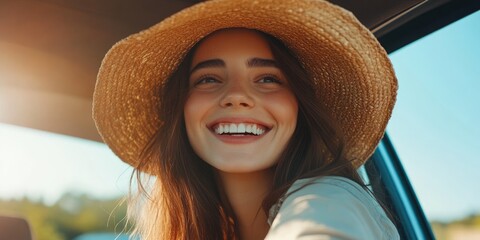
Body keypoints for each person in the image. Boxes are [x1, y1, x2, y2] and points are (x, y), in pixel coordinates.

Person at [93, 0, 400, 239]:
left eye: (268, 78)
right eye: (208, 79)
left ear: (299, 108)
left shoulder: (329, 198)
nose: (236, 95)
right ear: (181, 110)